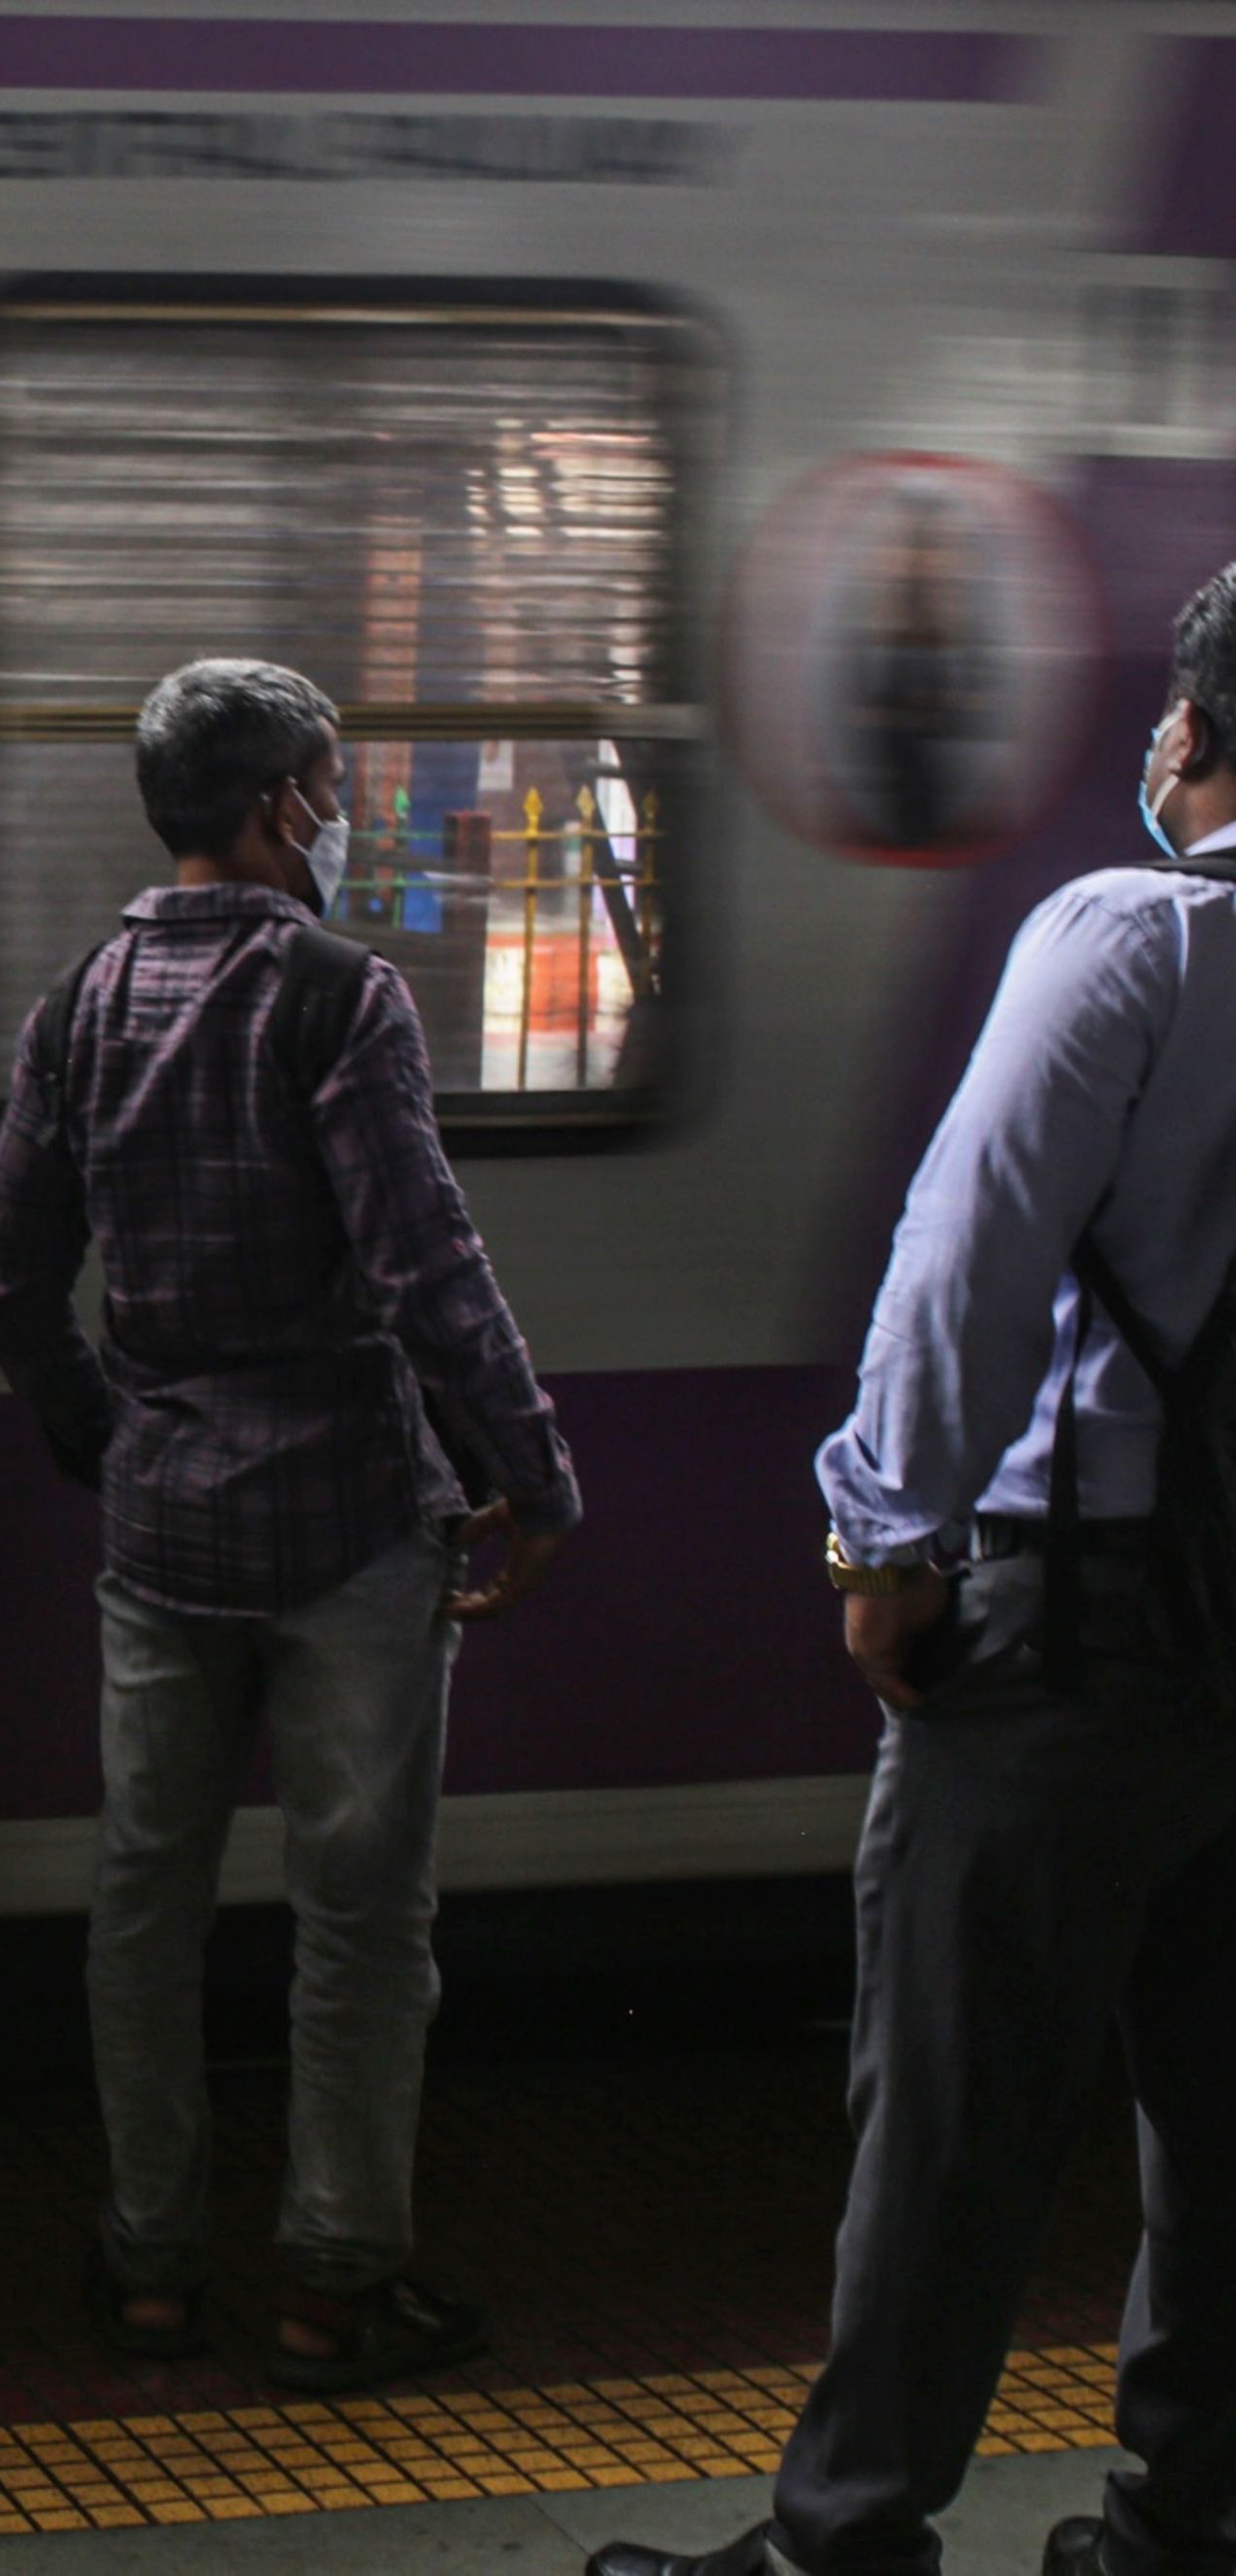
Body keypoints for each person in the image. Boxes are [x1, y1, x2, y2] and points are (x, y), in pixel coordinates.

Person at [588, 579, 1236, 2576]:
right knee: (1225, 2124)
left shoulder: (1134, 934)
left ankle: (844, 2537)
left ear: (1191, 731)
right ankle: (1181, 2523)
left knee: (956, 2110)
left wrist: (884, 1538)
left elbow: (968, 1254)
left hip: (1082, 1629)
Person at [0, 657, 579, 2395]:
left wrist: (118, 1439)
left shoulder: (80, 1001)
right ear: (280, 805)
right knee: (358, 1915)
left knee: (144, 1900)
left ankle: (151, 2263)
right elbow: (422, 1264)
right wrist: (531, 1475)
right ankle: (331, 2280)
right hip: (348, 1530)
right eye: (332, 785)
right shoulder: (340, 996)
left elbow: (9, 1287)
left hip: (162, 1534)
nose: (343, 815)